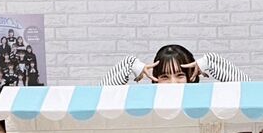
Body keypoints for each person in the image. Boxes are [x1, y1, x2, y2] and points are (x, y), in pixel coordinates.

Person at [100, 43, 248, 85]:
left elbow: (249, 90)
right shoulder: (149, 102)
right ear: (156, 79)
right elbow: (99, 95)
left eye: (179, 75)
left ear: (190, 76)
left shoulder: (201, 100)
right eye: (165, 77)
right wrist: (130, 64)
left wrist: (210, 61)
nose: (173, 83)